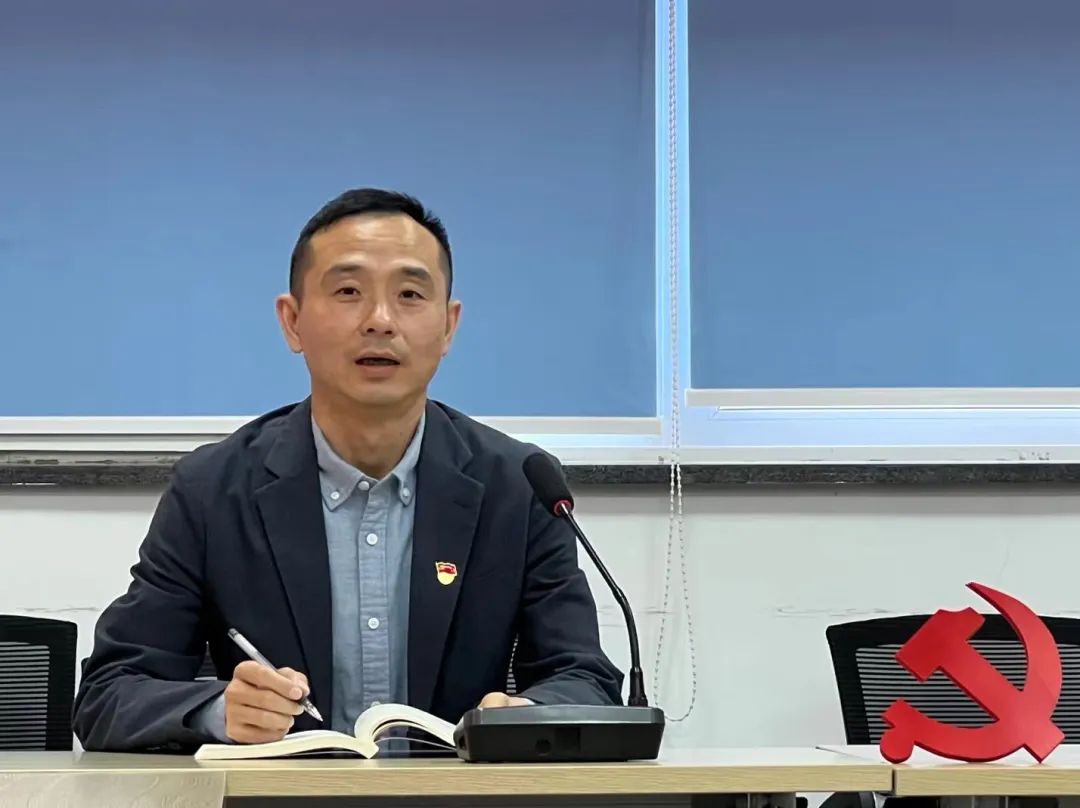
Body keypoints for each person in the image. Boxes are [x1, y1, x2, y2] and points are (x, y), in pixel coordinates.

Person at [72, 188, 623, 752]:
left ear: (448, 326)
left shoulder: (519, 485)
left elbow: (586, 679)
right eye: (348, 292)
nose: (380, 320)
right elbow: (108, 695)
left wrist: (531, 715)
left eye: (410, 294)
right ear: (292, 322)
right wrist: (219, 712)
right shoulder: (213, 489)